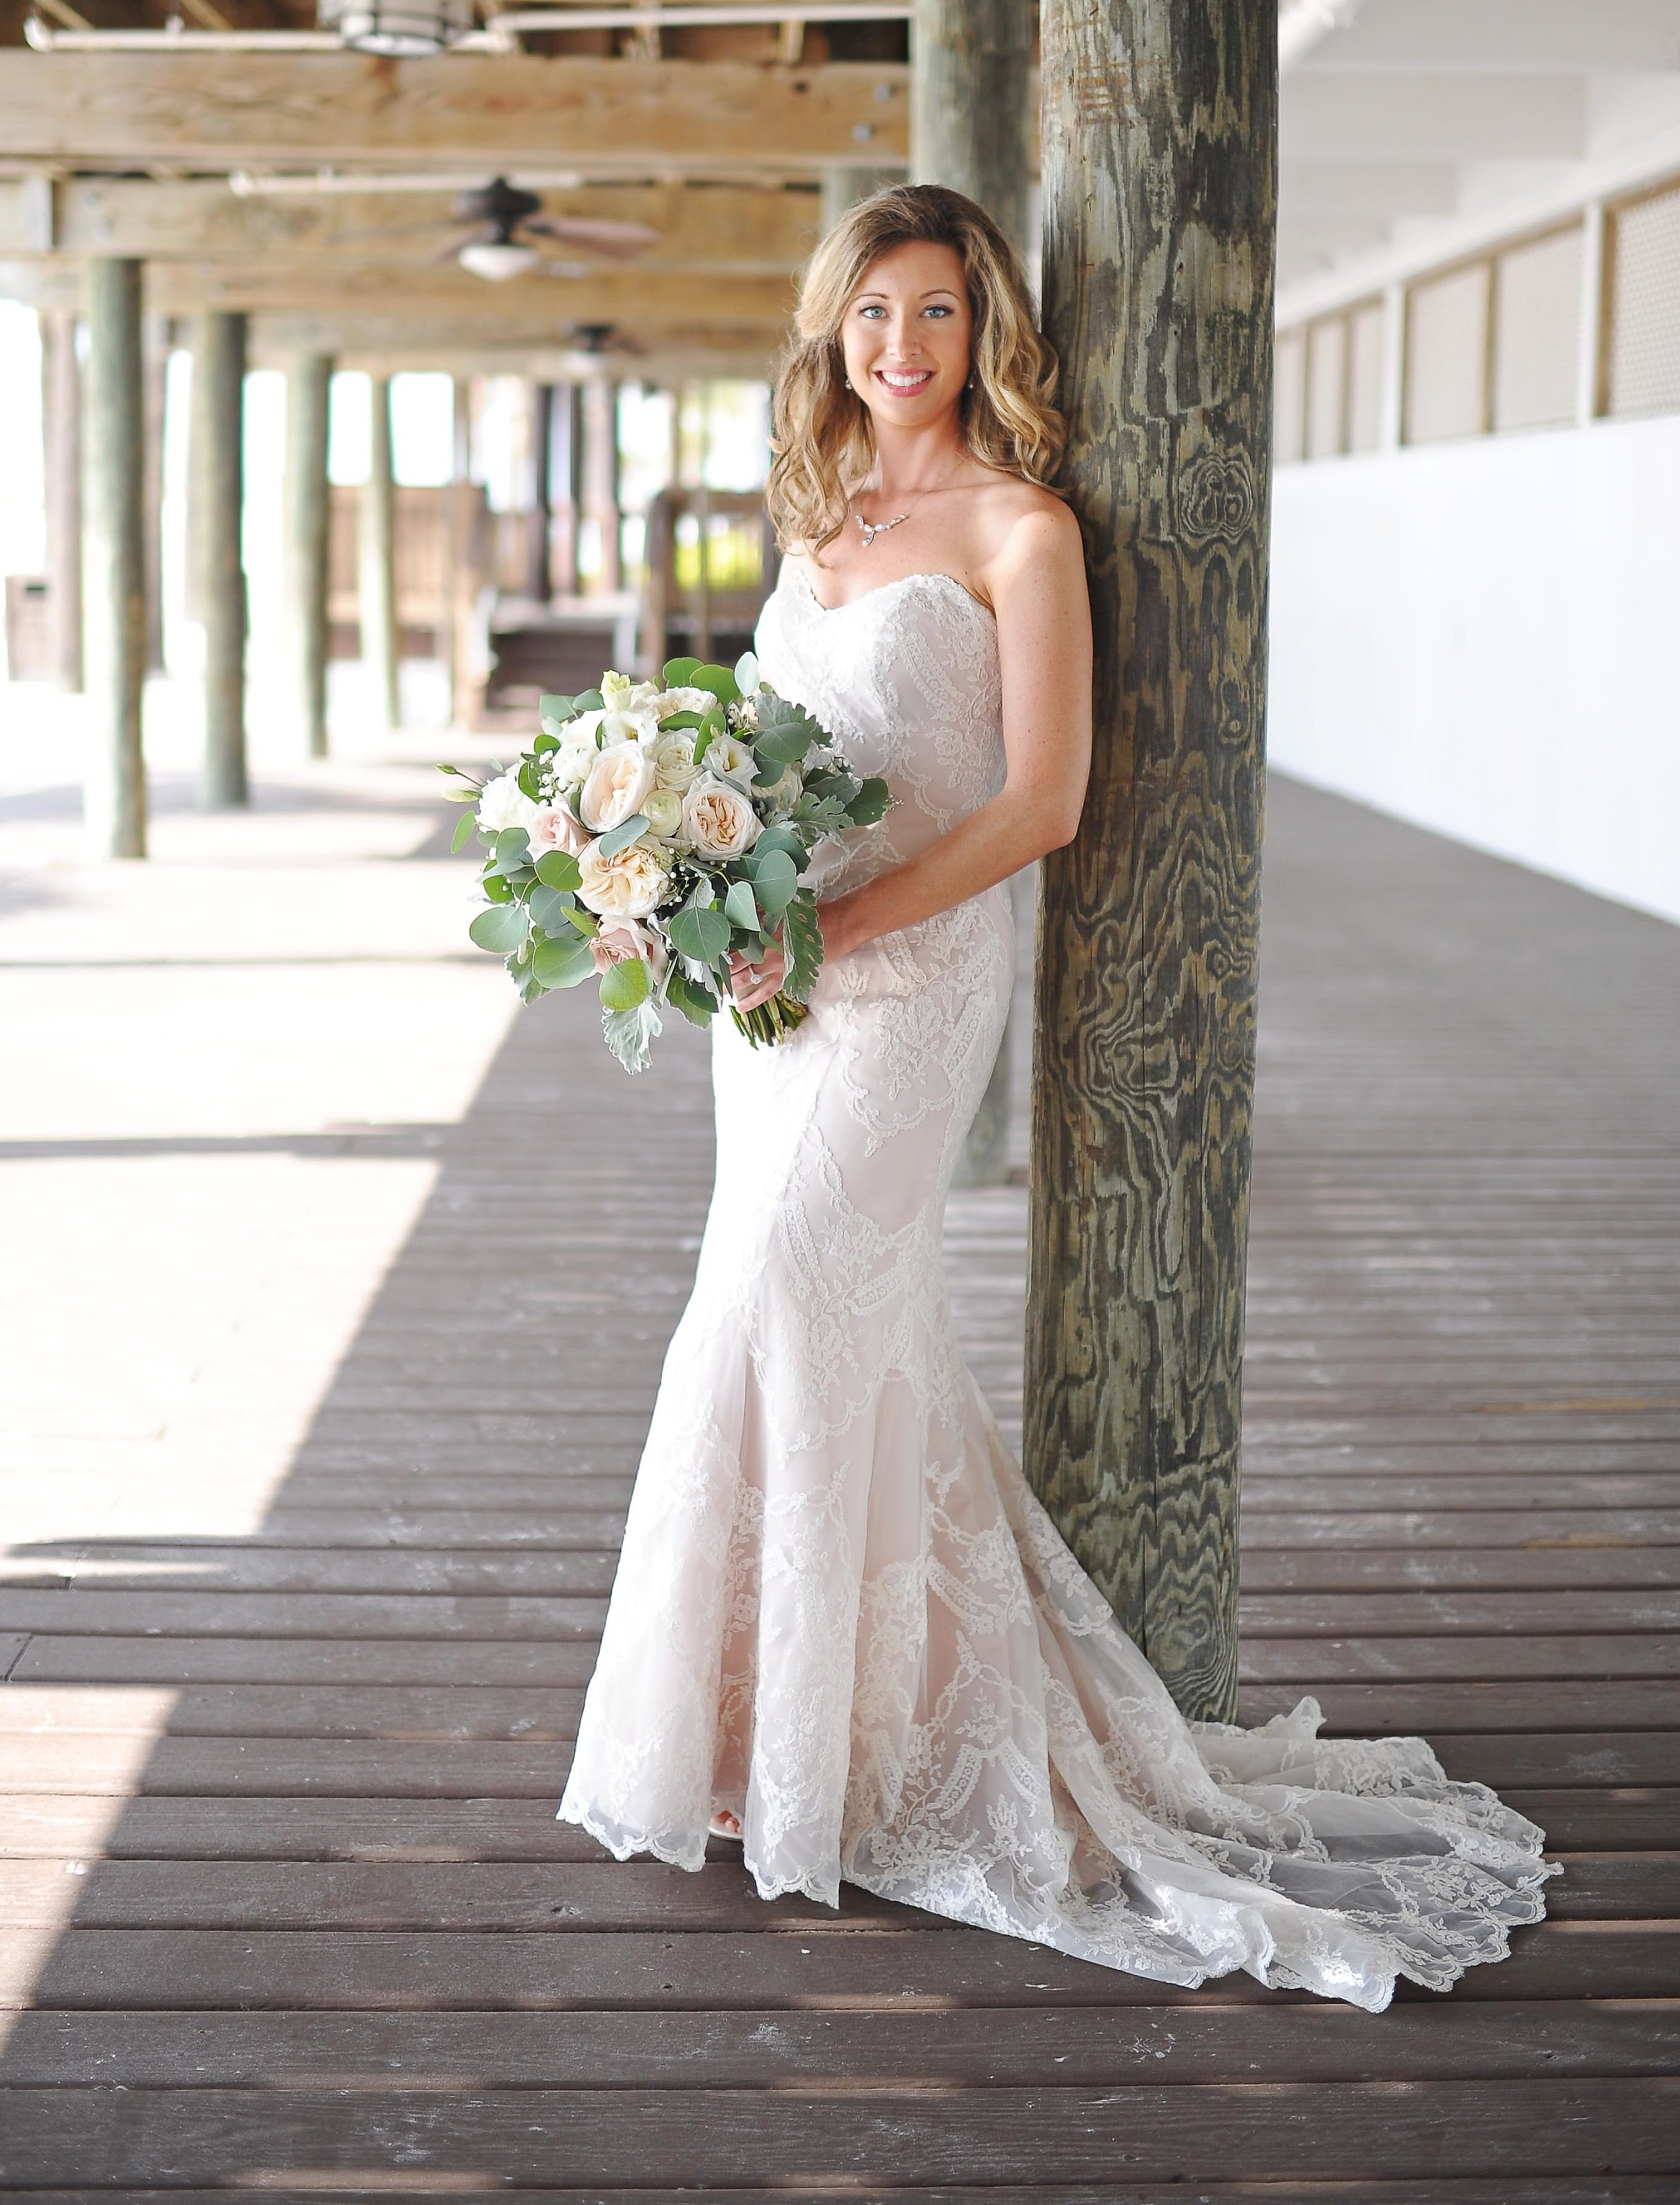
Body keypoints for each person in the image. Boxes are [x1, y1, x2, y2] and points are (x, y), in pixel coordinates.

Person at [559, 182, 1552, 2011]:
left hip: (911, 974)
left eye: (934, 314)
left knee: (801, 1291)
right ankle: (781, 1741)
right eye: (872, 315)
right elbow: (760, 746)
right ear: (834, 327)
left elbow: (1039, 804)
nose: (900, 349)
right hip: (764, 984)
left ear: (980, 327)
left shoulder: (1024, 531)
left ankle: (870, 1747)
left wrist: (842, 916)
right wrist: (692, 881)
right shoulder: (821, 512)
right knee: (779, 1316)